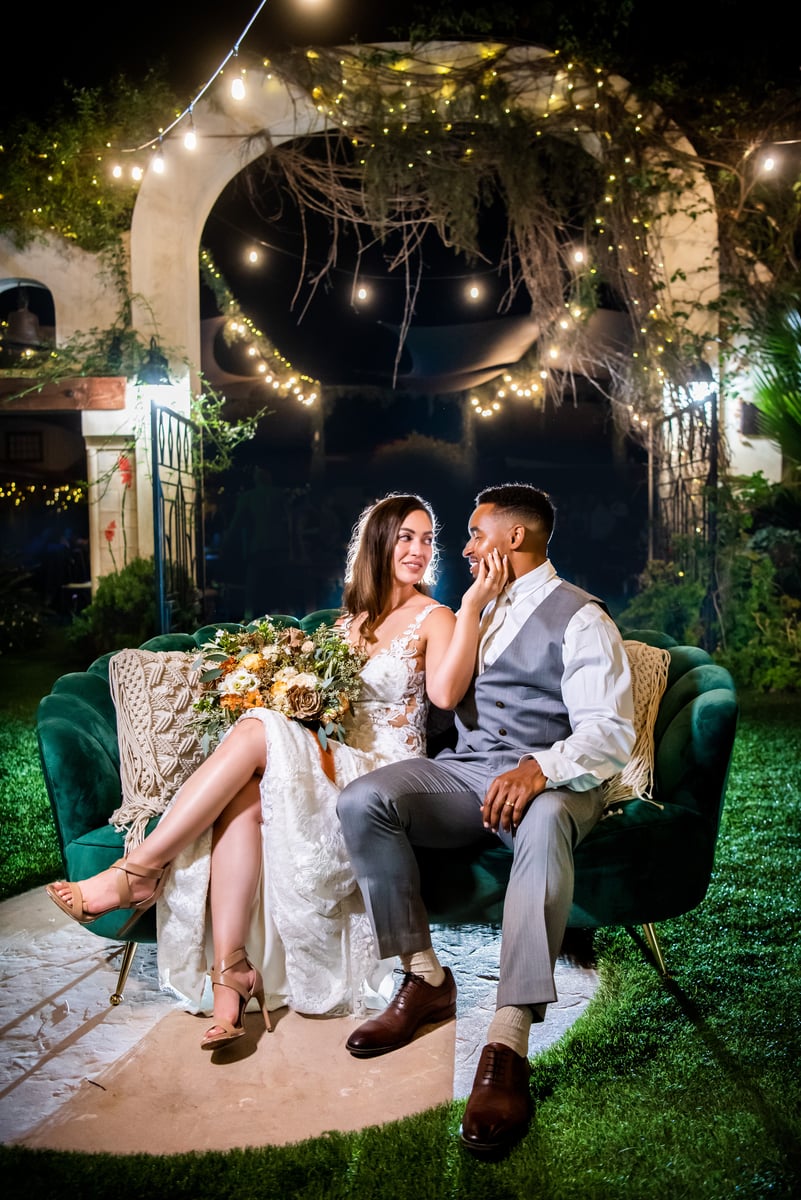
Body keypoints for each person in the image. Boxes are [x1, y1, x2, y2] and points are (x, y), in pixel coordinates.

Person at [45, 493, 504, 1049]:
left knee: (257, 729)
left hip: (388, 775)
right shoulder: (348, 623)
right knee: (244, 792)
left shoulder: (436, 616)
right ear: (379, 542)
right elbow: (329, 715)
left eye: (427, 539)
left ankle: (138, 870)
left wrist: (473, 603)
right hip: (333, 758)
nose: (419, 549)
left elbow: (446, 695)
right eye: (406, 536)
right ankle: (230, 976)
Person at [336, 482, 636, 1158]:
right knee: (363, 800)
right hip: (470, 772)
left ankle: (507, 1040)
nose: (466, 548)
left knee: (545, 820)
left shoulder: (581, 617)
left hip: (556, 778)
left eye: (476, 534)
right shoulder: (480, 605)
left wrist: (538, 769)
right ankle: (424, 977)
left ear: (514, 537)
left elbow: (610, 733)